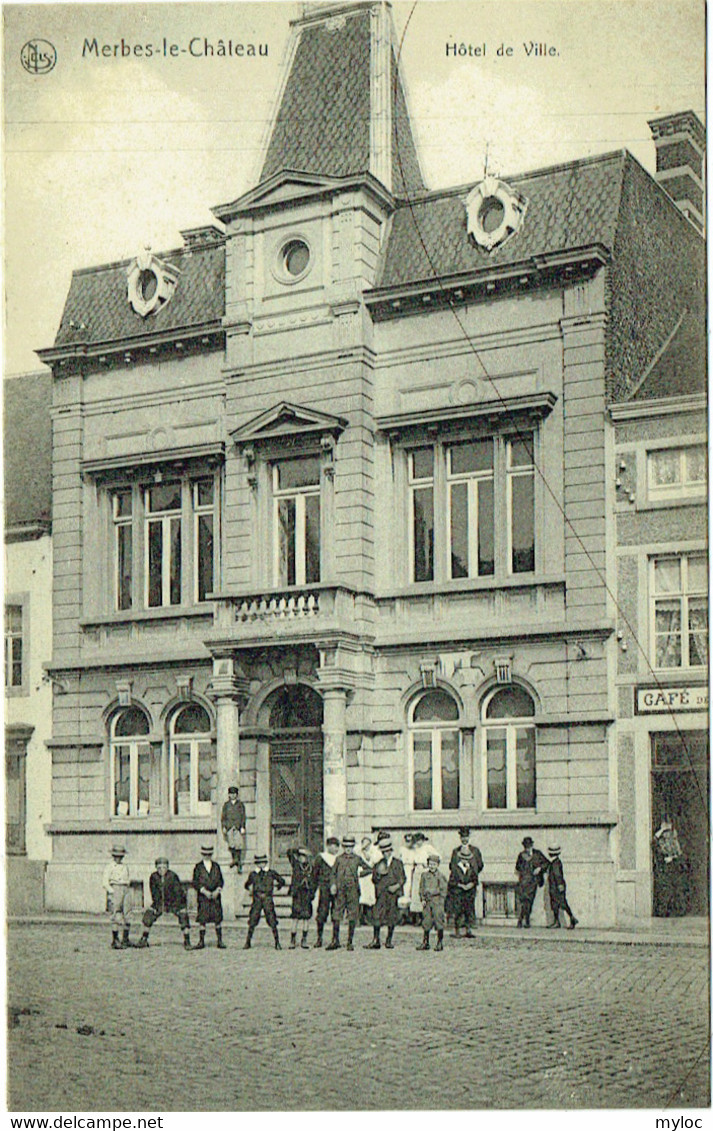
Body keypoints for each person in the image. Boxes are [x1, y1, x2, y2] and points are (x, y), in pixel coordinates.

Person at [327, 834, 371, 951]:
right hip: (340, 891)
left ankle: (349, 942)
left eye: (350, 847)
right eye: (346, 846)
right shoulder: (339, 859)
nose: (348, 849)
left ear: (353, 847)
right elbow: (332, 873)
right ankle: (335, 940)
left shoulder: (357, 859)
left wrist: (359, 874)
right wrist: (333, 885)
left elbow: (369, 868)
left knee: (352, 916)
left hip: (353, 890)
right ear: (342, 847)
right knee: (336, 914)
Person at [137, 857, 192, 949]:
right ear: (156, 868)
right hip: (159, 902)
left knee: (183, 915)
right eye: (159, 868)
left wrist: (177, 906)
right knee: (148, 915)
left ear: (167, 867)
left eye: (164, 867)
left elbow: (178, 893)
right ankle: (144, 938)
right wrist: (157, 906)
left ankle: (187, 941)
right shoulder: (153, 877)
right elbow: (154, 892)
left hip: (174, 903)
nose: (162, 870)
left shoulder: (173, 876)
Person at [366, 834, 406, 950]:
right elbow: (373, 879)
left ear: (391, 851)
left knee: (391, 917)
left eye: (388, 851)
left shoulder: (397, 863)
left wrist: (397, 886)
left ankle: (389, 940)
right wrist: (378, 874)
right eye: (384, 852)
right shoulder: (379, 863)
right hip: (381, 893)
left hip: (392, 894)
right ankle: (376, 940)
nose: (386, 854)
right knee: (377, 915)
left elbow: (403, 878)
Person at [244, 853, 284, 949]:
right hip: (257, 899)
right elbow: (246, 885)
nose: (261, 865)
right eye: (259, 863)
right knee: (253, 920)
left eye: (263, 862)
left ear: (265, 863)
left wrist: (276, 889)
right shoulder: (253, 874)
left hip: (267, 899)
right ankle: (248, 942)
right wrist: (251, 890)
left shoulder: (271, 873)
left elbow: (281, 881)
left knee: (272, 920)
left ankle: (277, 942)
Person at [446, 827, 484, 930]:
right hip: (459, 884)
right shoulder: (456, 851)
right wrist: (460, 881)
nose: (464, 839)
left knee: (469, 905)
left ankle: (469, 926)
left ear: (469, 837)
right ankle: (458, 926)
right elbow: (452, 867)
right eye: (462, 837)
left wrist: (471, 878)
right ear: (460, 838)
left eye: (466, 836)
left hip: (470, 882)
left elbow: (480, 865)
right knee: (458, 905)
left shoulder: (475, 851)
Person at [653, 815, 687, 917]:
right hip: (663, 866)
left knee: (675, 888)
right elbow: (654, 841)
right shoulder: (660, 840)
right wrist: (662, 830)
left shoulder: (673, 838)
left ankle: (676, 911)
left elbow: (678, 852)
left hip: (673, 865)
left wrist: (672, 857)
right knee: (665, 889)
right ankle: (662, 911)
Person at [192, 843, 225, 949]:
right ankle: (201, 941)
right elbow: (195, 882)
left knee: (217, 919)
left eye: (209, 854)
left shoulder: (216, 866)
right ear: (202, 854)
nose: (207, 856)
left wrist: (217, 890)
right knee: (203, 919)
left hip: (215, 897)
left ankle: (219, 941)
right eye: (205, 854)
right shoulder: (198, 867)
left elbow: (221, 880)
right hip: (203, 897)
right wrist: (203, 891)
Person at [515, 836, 549, 928]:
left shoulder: (537, 854)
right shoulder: (521, 855)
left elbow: (546, 863)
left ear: (532, 845)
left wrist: (539, 868)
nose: (527, 848)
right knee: (525, 901)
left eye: (529, 845)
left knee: (529, 901)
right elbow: (517, 867)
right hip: (524, 881)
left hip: (533, 882)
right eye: (526, 846)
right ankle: (524, 920)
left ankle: (523, 920)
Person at [311, 836, 339, 947]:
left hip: (337, 889)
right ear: (328, 846)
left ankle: (335, 938)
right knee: (322, 912)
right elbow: (315, 874)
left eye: (337, 847)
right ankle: (319, 938)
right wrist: (313, 890)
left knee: (336, 913)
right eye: (333, 846)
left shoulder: (339, 859)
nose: (336, 849)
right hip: (324, 888)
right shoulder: (321, 858)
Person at [103, 844, 132, 950]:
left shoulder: (125, 866)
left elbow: (127, 878)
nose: (119, 858)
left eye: (121, 856)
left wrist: (127, 889)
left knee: (128, 914)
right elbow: (105, 882)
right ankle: (115, 940)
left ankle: (125, 939)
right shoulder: (109, 867)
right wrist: (112, 892)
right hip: (115, 889)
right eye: (117, 856)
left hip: (125, 889)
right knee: (115, 914)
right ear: (113, 856)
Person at [417, 852, 448, 950]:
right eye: (430, 864)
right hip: (427, 902)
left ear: (438, 865)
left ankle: (440, 943)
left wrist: (441, 902)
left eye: (434, 864)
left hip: (437, 901)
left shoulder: (440, 876)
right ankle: (425, 942)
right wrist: (422, 899)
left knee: (439, 922)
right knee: (426, 922)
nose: (432, 866)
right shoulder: (424, 875)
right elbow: (421, 888)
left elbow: (443, 890)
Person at [448, 846, 480, 937]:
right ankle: (457, 930)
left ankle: (468, 930)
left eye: (467, 859)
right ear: (460, 858)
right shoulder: (455, 868)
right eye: (464, 859)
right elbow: (452, 881)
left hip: (469, 893)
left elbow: (475, 879)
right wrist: (461, 885)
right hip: (458, 893)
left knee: (468, 911)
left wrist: (471, 884)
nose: (466, 861)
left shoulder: (471, 868)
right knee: (458, 911)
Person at [287, 846, 313, 948]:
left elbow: (314, 881)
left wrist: (311, 892)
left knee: (306, 918)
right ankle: (292, 940)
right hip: (297, 895)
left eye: (304, 856)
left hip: (306, 895)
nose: (302, 858)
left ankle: (304, 940)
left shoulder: (311, 868)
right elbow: (289, 852)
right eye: (300, 856)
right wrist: (298, 850)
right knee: (295, 918)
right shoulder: (296, 865)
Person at [546, 845, 578, 929]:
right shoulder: (555, 862)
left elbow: (557, 875)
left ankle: (570, 919)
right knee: (556, 904)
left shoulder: (555, 863)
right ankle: (558, 921)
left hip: (556, 886)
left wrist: (559, 885)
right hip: (556, 885)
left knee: (560, 903)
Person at [221, 785, 246, 872]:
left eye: (234, 794)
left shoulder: (240, 805)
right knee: (231, 844)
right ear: (229, 795)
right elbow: (223, 817)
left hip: (238, 827)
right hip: (229, 827)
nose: (233, 795)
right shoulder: (226, 805)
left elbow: (243, 816)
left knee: (238, 845)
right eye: (231, 794)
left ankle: (238, 862)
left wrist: (242, 827)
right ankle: (234, 860)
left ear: (237, 795)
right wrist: (224, 827)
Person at [358, 836, 382, 924]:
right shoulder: (359, 853)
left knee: (370, 897)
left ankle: (369, 917)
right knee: (362, 897)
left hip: (370, 878)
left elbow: (374, 863)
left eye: (368, 844)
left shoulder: (374, 853)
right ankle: (361, 918)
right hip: (362, 878)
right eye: (364, 843)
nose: (366, 846)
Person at [409, 832, 431, 924]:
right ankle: (416, 916)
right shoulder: (415, 849)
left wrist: (428, 864)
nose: (418, 842)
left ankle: (425, 916)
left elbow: (437, 856)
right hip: (416, 870)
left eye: (420, 840)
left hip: (424, 869)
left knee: (424, 892)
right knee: (415, 893)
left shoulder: (428, 848)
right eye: (417, 841)